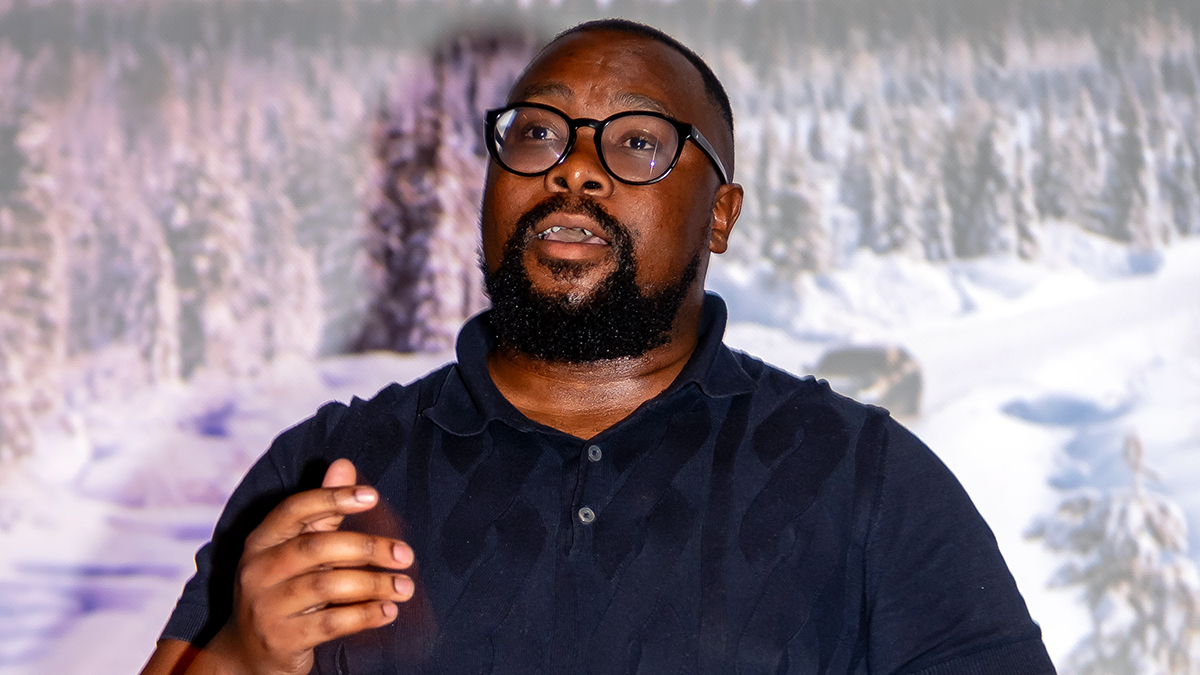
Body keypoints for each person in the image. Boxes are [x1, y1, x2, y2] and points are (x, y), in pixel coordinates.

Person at [140, 19, 1056, 675]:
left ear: (721, 215)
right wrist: (242, 658)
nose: (573, 166)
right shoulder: (328, 468)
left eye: (638, 142)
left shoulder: (864, 478)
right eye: (537, 132)